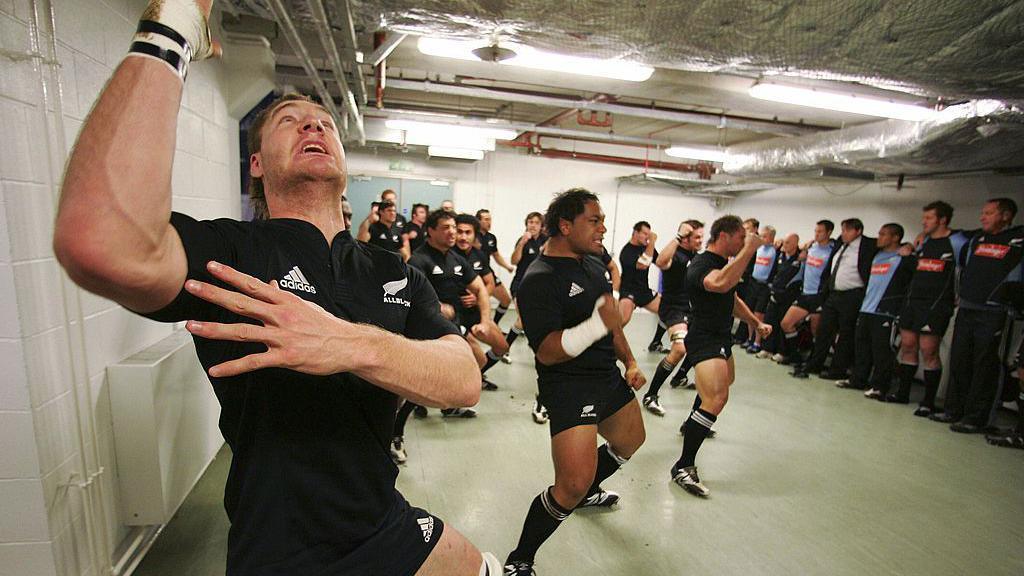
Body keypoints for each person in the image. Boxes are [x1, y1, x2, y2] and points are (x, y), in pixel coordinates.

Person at [52, 4, 503, 574]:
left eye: (325, 123)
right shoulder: (233, 252)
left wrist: (346, 343)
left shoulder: (391, 270)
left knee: (476, 564)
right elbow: (99, 241)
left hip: (381, 521)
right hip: (285, 550)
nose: (314, 126)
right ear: (257, 165)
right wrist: (175, 25)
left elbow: (463, 379)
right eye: (290, 120)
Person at [503, 189, 646, 575]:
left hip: (606, 376)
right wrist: (596, 325)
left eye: (603, 221)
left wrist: (630, 360)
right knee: (570, 485)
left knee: (631, 440)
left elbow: (612, 323)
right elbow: (548, 351)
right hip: (569, 386)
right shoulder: (538, 279)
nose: (603, 228)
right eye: (594, 221)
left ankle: (586, 494)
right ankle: (520, 559)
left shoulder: (594, 265)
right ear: (565, 226)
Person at [670, 215, 770, 497]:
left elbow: (731, 299)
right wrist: (749, 249)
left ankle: (691, 422)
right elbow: (720, 285)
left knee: (723, 385)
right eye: (740, 238)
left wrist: (755, 322)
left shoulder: (722, 263)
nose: (743, 242)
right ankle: (683, 466)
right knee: (716, 398)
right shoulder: (702, 264)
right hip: (704, 338)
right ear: (724, 236)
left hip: (721, 336)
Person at [932, 198, 1024, 433]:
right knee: (959, 360)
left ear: (1005, 216)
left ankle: (976, 418)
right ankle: (953, 410)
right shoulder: (976, 239)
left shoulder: (1018, 238)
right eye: (983, 212)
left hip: (996, 311)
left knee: (985, 365)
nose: (982, 217)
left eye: (989, 213)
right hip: (967, 307)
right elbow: (952, 240)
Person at [895, 201, 969, 416]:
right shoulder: (923, 242)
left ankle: (928, 401)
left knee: (929, 350)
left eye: (928, 218)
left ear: (942, 220)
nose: (923, 222)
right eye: (924, 218)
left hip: (936, 304)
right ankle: (902, 393)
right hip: (913, 302)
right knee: (908, 345)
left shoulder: (957, 242)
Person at [837, 224, 915, 398]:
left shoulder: (904, 257)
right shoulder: (876, 255)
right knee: (861, 347)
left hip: (886, 310)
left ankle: (880, 386)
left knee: (882, 351)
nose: (879, 237)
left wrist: (909, 247)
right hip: (866, 307)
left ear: (895, 238)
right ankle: (858, 379)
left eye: (883, 234)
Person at [793, 218, 877, 380]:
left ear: (858, 231)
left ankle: (837, 370)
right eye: (843, 230)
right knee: (823, 330)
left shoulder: (867, 245)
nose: (843, 233)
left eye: (847, 230)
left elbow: (890, 242)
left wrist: (908, 246)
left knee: (845, 334)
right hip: (833, 294)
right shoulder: (840, 243)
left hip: (852, 295)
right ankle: (813, 364)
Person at [642, 220, 704, 416]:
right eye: (697, 237)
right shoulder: (676, 256)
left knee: (698, 345)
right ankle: (650, 395)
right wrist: (678, 236)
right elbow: (660, 262)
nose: (700, 240)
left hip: (693, 310)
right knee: (679, 348)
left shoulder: (698, 258)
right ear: (685, 239)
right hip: (674, 309)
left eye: (702, 237)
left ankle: (680, 377)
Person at [455, 213, 511, 390]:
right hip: (455, 315)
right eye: (459, 232)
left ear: (475, 235)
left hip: (476, 312)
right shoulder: (448, 254)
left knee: (502, 347)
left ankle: (477, 377)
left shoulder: (478, 255)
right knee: (472, 356)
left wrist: (478, 297)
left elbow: (490, 283)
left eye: (468, 233)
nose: (463, 237)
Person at [508, 212, 550, 423]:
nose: (532, 225)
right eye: (530, 222)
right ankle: (505, 348)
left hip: (539, 289)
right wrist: (522, 243)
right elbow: (514, 260)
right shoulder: (523, 240)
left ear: (542, 226)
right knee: (524, 321)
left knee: (524, 323)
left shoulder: (546, 242)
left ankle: (503, 347)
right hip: (520, 286)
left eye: (536, 222)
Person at [778, 220, 835, 365]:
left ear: (829, 233)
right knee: (786, 323)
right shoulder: (810, 248)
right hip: (805, 293)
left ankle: (813, 361)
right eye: (815, 231)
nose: (816, 234)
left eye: (820, 231)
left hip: (819, 295)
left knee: (816, 331)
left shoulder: (833, 251)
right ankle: (795, 355)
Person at [618, 221, 668, 353]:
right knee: (622, 320)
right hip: (628, 291)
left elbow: (660, 262)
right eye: (645, 234)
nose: (648, 237)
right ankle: (605, 344)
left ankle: (656, 342)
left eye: (649, 234)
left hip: (644, 292)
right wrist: (652, 242)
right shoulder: (627, 252)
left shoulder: (646, 247)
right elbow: (643, 265)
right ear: (635, 233)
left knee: (668, 309)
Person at [756, 233, 802, 359]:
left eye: (788, 243)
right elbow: (773, 272)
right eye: (784, 242)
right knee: (769, 321)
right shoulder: (780, 255)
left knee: (782, 324)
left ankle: (781, 352)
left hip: (788, 296)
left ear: (795, 244)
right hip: (774, 294)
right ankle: (766, 348)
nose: (784, 245)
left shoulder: (800, 259)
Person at [743, 226, 778, 354]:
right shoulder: (758, 249)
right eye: (761, 235)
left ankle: (757, 342)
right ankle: (749, 339)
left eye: (765, 236)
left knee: (759, 315)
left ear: (772, 237)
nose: (762, 238)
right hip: (754, 283)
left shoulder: (775, 251)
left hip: (764, 286)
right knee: (749, 313)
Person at [476, 209, 515, 325]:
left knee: (506, 300)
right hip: (474, 274)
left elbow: (496, 255)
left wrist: (507, 267)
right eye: (486, 219)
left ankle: (495, 324)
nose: (489, 222)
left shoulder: (491, 238)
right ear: (478, 221)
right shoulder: (472, 236)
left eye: (490, 219)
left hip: (488, 273)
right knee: (478, 304)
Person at [732, 217, 761, 345]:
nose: (745, 231)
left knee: (745, 307)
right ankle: (734, 333)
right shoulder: (743, 242)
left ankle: (742, 336)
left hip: (749, 281)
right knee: (733, 303)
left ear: (755, 229)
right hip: (739, 278)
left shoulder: (758, 245)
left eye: (748, 228)